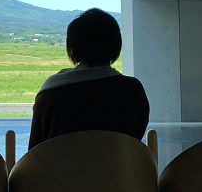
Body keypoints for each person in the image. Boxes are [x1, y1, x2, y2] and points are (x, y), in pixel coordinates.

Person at [28, 8, 149, 149]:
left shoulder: (50, 94)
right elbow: (135, 139)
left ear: (72, 46)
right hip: (120, 164)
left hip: (63, 164)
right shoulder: (132, 90)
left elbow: (35, 152)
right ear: (116, 44)